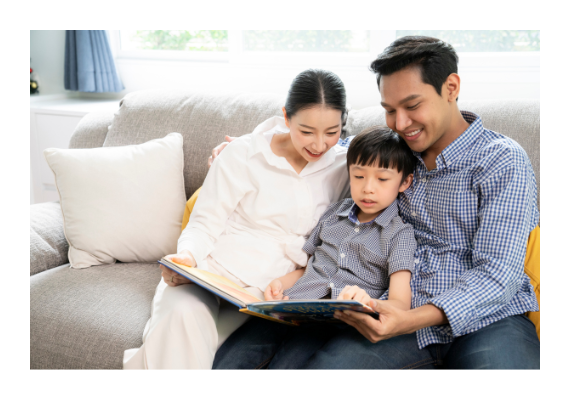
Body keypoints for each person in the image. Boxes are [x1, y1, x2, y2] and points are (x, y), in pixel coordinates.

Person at [212, 36, 540, 370]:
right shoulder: (390, 151)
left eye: (412, 106)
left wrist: (410, 318)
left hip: (489, 321)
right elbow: (322, 140)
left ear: (451, 87)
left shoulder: (502, 160)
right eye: (389, 110)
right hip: (393, 321)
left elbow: (498, 274)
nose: (400, 124)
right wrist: (245, 152)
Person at [123, 69, 350, 370]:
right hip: (214, 270)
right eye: (306, 131)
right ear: (285, 116)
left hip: (268, 292)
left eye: (331, 132)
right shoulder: (244, 153)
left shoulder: (348, 166)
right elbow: (205, 222)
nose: (320, 145)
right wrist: (187, 257)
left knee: (209, 347)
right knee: (182, 316)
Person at [264, 126, 416, 316]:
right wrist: (279, 283)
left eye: (382, 179)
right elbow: (309, 268)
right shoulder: (334, 213)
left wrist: (368, 302)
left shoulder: (400, 234)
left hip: (345, 321)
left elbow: (400, 304)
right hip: (296, 305)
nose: (368, 188)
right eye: (359, 176)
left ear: (404, 182)